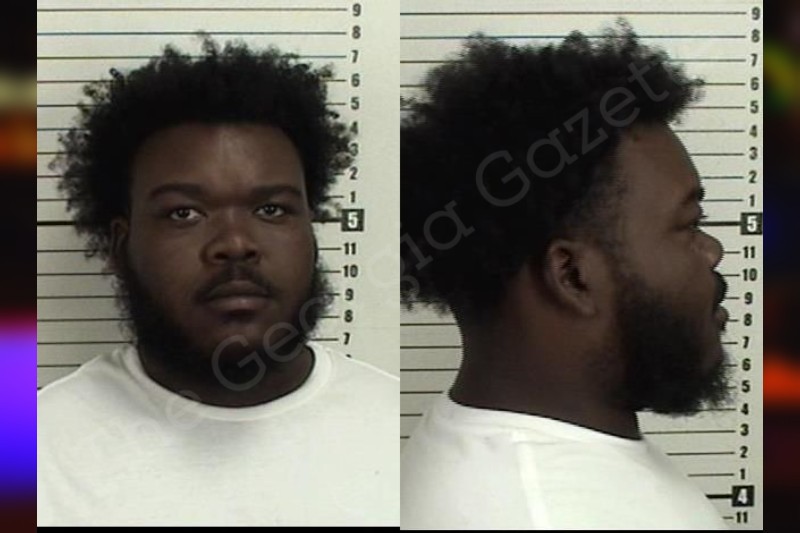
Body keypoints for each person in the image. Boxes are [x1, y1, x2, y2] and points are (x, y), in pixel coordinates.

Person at [37, 38, 398, 527]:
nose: (235, 243)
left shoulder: (398, 432)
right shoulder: (36, 452)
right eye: (184, 213)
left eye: (271, 209)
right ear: (120, 247)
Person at [400, 24, 731, 530]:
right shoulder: (549, 514)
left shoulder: (514, 456)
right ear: (572, 275)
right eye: (689, 226)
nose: (712, 252)